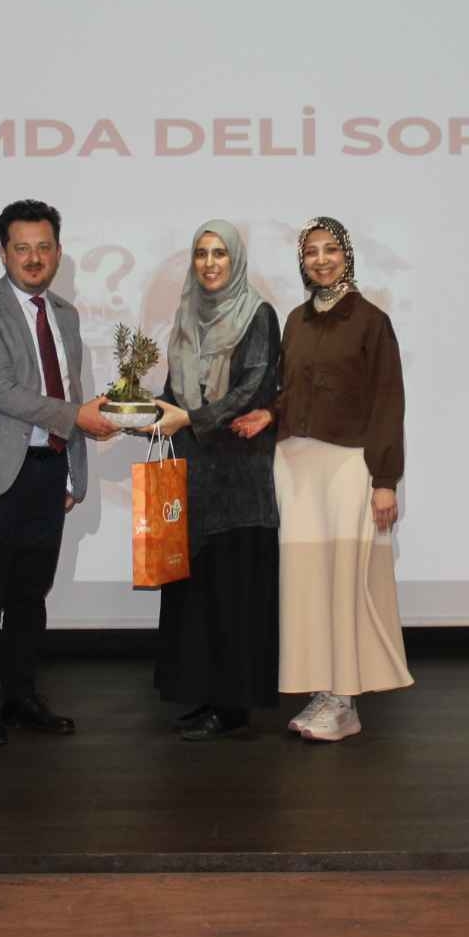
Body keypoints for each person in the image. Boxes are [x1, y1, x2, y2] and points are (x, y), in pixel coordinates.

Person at [0, 198, 119, 747]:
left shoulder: (65, 313)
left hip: (46, 470)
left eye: (44, 247)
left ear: (58, 252)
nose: (34, 258)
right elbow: (2, 392)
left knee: (30, 596)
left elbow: (70, 387)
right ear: (3, 252)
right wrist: (77, 418)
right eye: (22, 248)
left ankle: (21, 698)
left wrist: (72, 469)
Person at [230, 215, 412, 742]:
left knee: (344, 582)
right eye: (311, 252)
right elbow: (293, 391)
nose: (321, 259)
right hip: (296, 465)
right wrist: (270, 413)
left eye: (330, 249)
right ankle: (323, 692)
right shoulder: (296, 320)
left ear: (346, 254)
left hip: (348, 466)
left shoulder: (371, 321)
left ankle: (345, 701)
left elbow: (388, 403)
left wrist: (385, 479)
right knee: (307, 582)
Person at [149, 220, 282, 741]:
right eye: (201, 253)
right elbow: (174, 394)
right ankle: (204, 694)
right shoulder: (186, 316)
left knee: (233, 595)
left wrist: (190, 418)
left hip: (238, 478)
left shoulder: (258, 315)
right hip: (193, 478)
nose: (209, 263)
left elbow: (254, 389)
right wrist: (143, 412)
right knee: (198, 595)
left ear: (236, 261)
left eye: (220, 253)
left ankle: (232, 707)